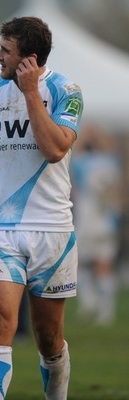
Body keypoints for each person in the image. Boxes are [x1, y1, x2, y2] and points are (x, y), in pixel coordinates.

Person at [0, 16, 84, 400]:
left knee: (49, 339)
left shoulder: (67, 90)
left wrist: (30, 94)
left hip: (53, 231)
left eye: (5, 51)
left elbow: (55, 149)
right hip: (0, 229)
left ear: (28, 58)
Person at [71, 125, 122, 325]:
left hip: (87, 220)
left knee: (80, 262)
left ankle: (89, 302)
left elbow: (73, 151)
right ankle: (105, 310)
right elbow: (110, 147)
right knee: (104, 264)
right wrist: (99, 133)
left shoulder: (83, 164)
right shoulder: (111, 162)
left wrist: (86, 134)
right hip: (108, 220)